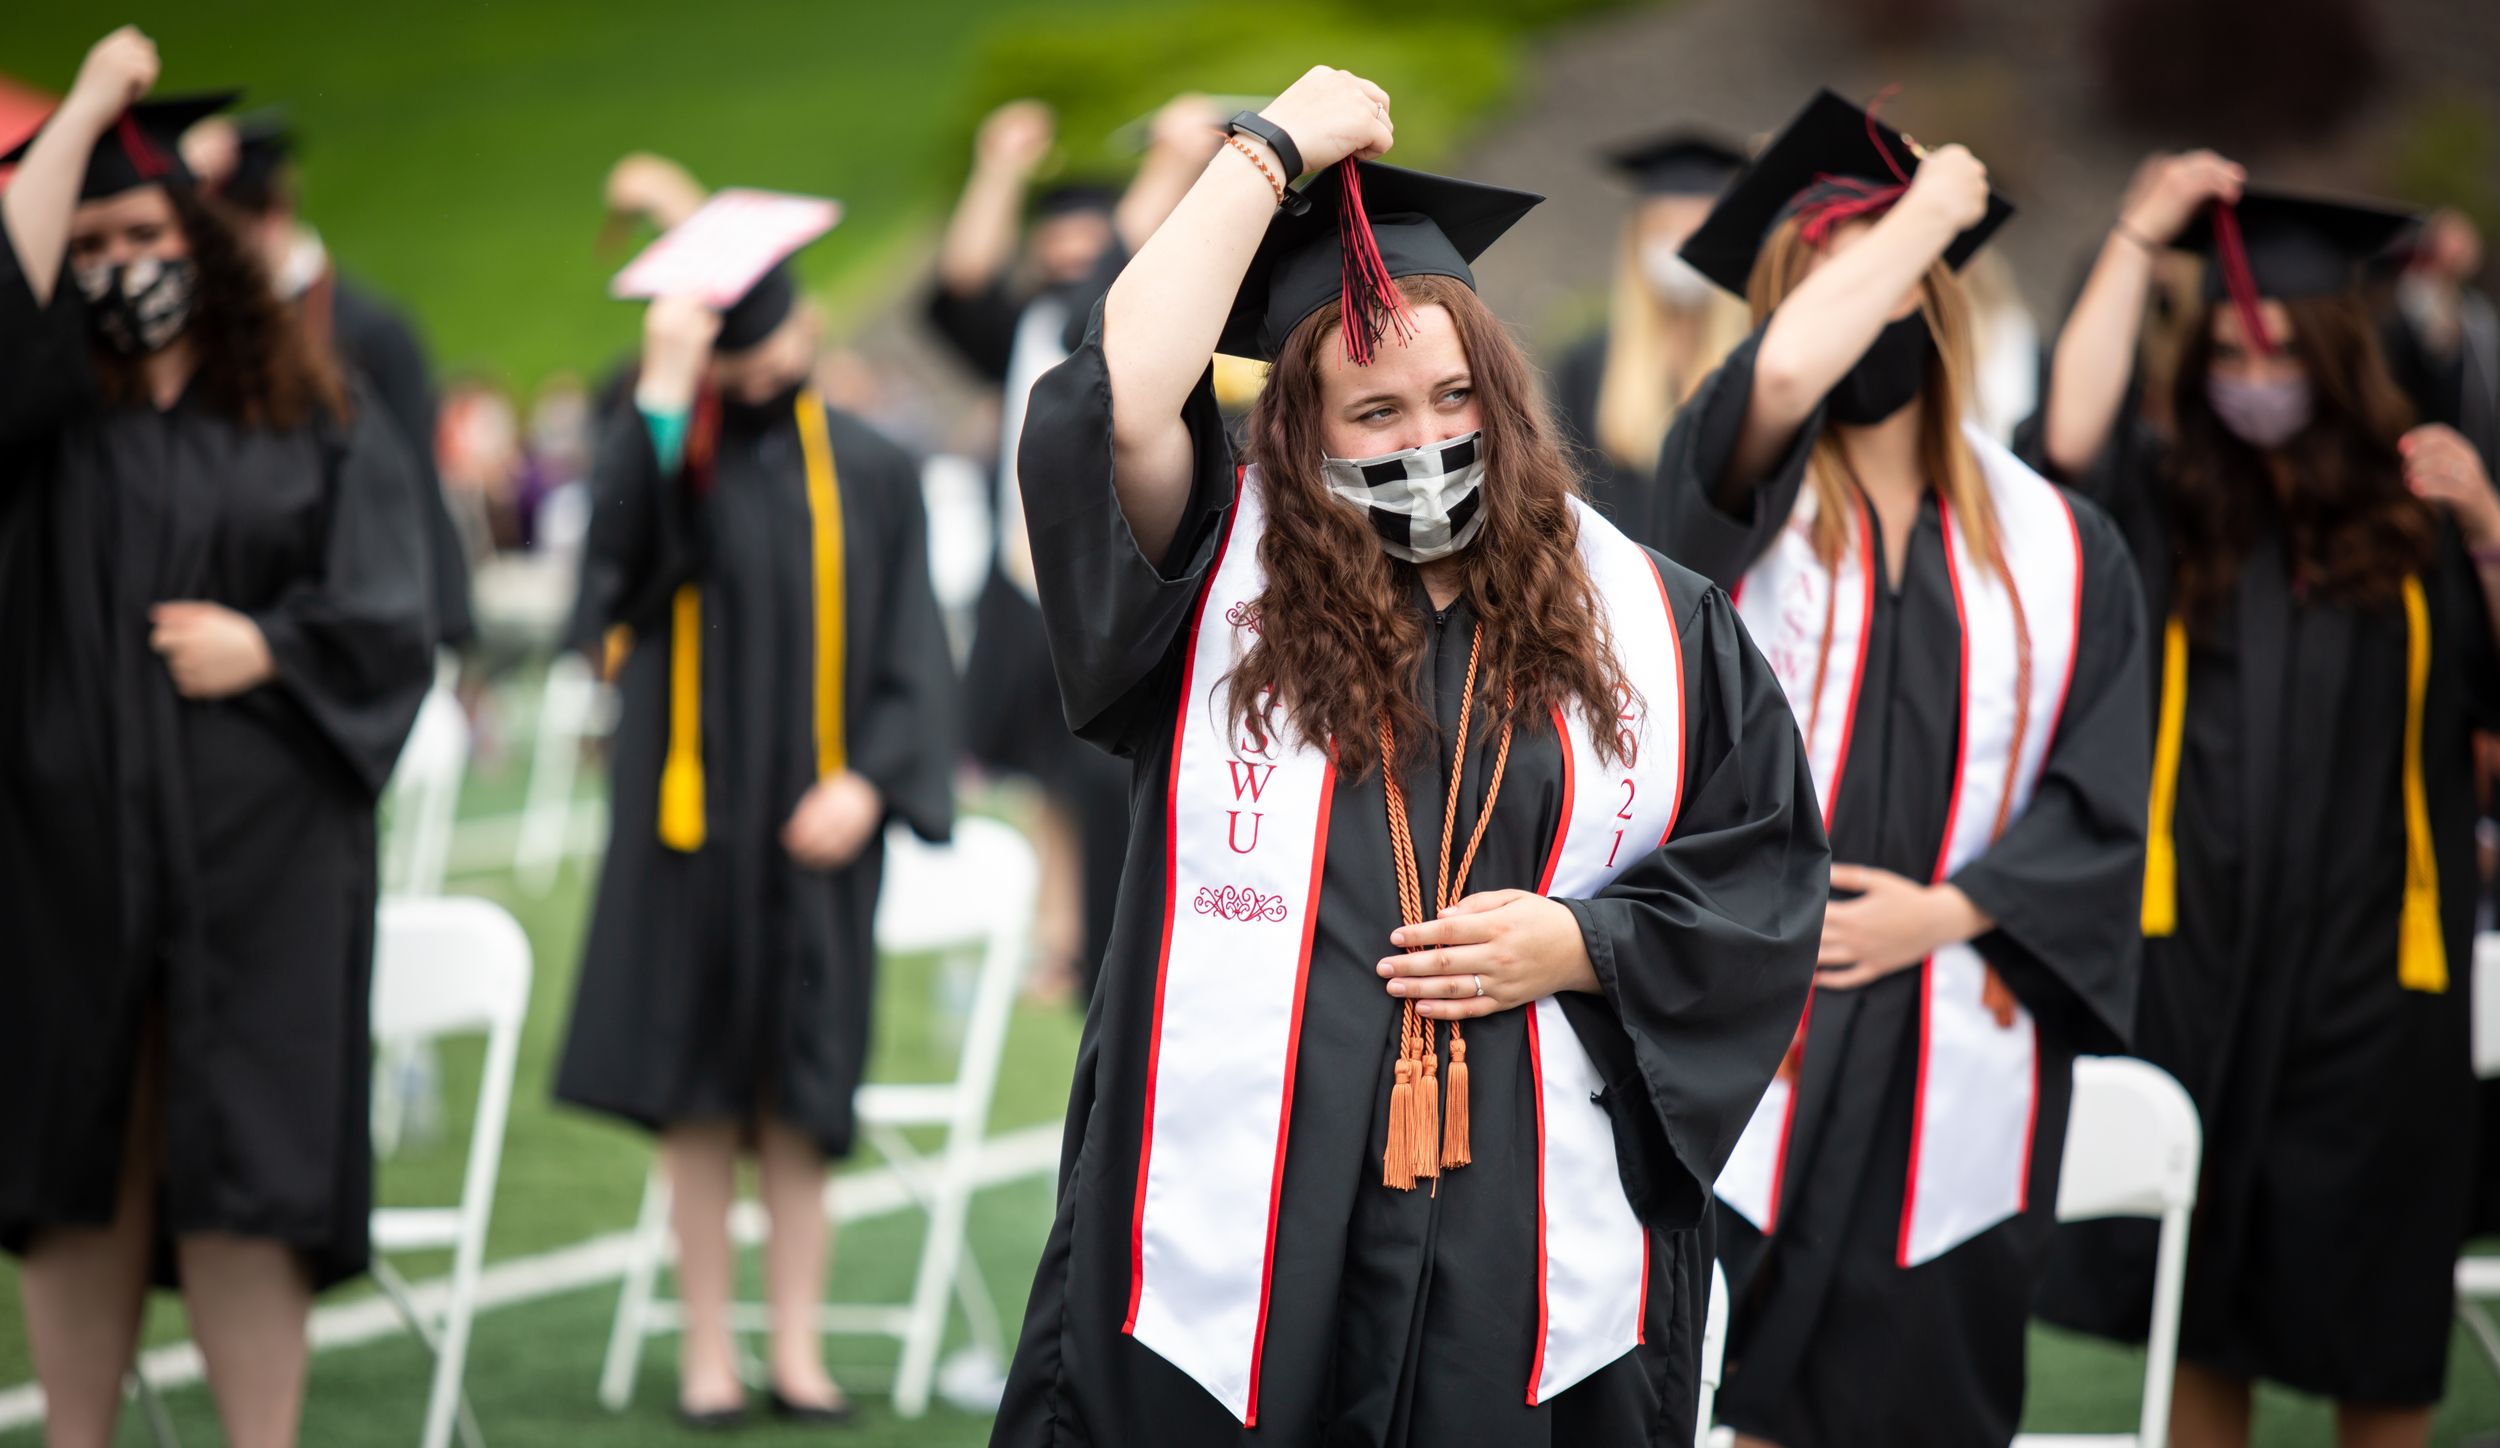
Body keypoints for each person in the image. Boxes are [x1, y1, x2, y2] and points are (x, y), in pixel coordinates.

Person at [992, 64, 1826, 1447]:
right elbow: (1119, 400)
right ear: (1299, 433)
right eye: (1374, 415)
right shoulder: (1208, 589)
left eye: (1453, 400)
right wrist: (1268, 152)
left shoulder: (1655, 618)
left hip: (1524, 1225)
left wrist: (1584, 946)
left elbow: (1764, 877)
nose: (1428, 441)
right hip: (1249, 1209)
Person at [1656, 90, 2151, 1448]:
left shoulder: (2062, 544)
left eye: (1885, 281)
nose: (1862, 312)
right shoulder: (1731, 500)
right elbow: (1772, 382)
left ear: (1938, 302)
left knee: (1925, 1394)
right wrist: (1915, 213)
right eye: (1820, 284)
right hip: (1753, 1030)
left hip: (1960, 1040)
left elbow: (2105, 792)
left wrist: (1948, 912)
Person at [0, 29, 434, 1448]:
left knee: (251, 1158)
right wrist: (83, 121)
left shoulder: (313, 415)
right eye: (93, 237)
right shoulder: (42, 430)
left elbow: (390, 616)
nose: (125, 258)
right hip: (70, 855)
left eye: (149, 229)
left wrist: (273, 647)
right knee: (84, 1155)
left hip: (264, 856)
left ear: (206, 242)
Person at [2027, 155, 2500, 1448]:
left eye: (2283, 346)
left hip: (2378, 980)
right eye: (2233, 345)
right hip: (2201, 960)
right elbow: (2066, 433)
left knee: (2380, 1317)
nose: (2256, 372)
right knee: (2206, 1300)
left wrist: (2490, 531)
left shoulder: (2421, 521)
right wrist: (2140, 228)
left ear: (2339, 355)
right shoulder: (2176, 506)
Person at [551, 203, 959, 1427]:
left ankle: (796, 1349)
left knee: (802, 1092)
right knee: (697, 1093)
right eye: (736, 348)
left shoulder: (876, 470)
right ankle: (708, 1360)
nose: (762, 365)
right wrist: (665, 388)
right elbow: (614, 571)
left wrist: (874, 777)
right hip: (690, 823)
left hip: (818, 826)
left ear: (811, 324)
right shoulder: (675, 457)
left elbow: (911, 648)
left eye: (771, 340)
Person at [181, 108, 476, 651]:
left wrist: (430, 620)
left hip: (370, 593)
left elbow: (410, 482)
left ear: (275, 214)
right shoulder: (204, 331)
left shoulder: (369, 329)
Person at [1549, 129, 1753, 541]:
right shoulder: (1585, 364)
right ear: (1637, 240)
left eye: (1697, 230)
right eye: (1665, 229)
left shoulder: (1754, 361)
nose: (1679, 248)